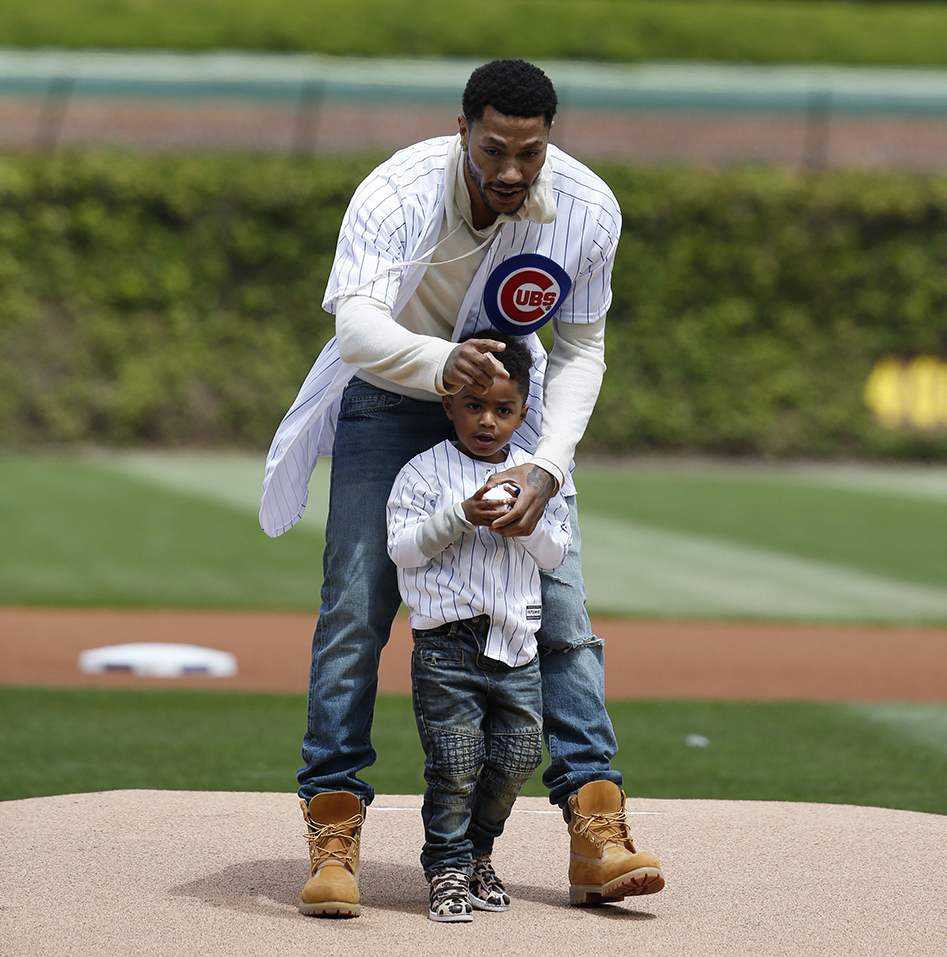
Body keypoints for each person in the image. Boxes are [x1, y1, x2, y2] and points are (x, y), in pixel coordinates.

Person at [259, 58, 663, 918]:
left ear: (549, 142)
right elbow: (358, 323)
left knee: (562, 608)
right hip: (395, 386)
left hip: (514, 405)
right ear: (463, 131)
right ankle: (334, 823)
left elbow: (584, 345)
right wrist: (442, 362)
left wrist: (547, 465)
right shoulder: (398, 190)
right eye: (494, 150)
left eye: (530, 152)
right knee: (356, 608)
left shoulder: (587, 209)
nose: (511, 171)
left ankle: (598, 826)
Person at [387, 333, 570, 922]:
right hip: (446, 643)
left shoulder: (537, 476)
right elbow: (403, 549)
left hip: (516, 641)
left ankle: (476, 855)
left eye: (503, 409)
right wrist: (460, 516)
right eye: (473, 405)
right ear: (449, 404)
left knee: (517, 759)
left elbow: (557, 554)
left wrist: (528, 524)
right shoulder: (424, 471)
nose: (487, 421)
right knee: (456, 763)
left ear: (523, 411)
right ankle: (445, 868)